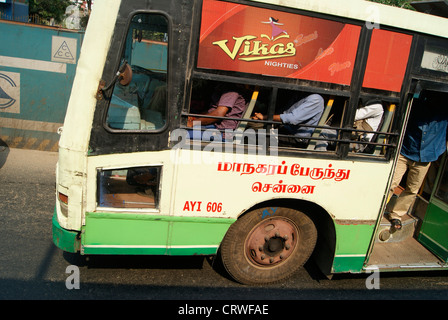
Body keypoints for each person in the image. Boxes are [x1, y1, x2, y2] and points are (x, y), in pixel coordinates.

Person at [386, 90, 448, 230]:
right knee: (391, 183)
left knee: (412, 189)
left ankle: (396, 215)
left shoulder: (444, 112)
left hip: (426, 157)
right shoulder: (417, 105)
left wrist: (439, 149)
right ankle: (378, 210)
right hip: (405, 151)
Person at [314, 100, 384, 152]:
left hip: (358, 143)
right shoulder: (367, 102)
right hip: (350, 137)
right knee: (322, 127)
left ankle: (318, 159)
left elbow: (351, 116)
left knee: (322, 132)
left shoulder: (376, 106)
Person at [252, 93, 324, 141]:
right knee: (251, 128)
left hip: (294, 137)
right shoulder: (300, 94)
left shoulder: (315, 99)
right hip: (283, 128)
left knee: (254, 138)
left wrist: (264, 117)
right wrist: (260, 117)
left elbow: (292, 119)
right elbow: (284, 112)